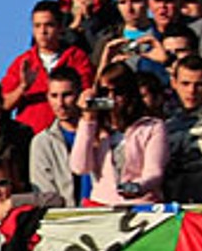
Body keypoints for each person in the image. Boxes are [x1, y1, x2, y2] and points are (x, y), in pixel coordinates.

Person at [70, 65, 166, 205]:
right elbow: (79, 167)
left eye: (118, 92)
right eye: (105, 92)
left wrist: (134, 188)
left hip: (141, 205)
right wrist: (88, 120)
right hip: (102, 206)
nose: (111, 98)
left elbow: (154, 172)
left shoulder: (152, 126)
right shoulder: (95, 127)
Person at [3, 1, 94, 134]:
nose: (43, 31)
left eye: (49, 25)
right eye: (37, 26)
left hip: (70, 135)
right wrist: (22, 87)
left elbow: (86, 96)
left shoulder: (76, 57)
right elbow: (3, 106)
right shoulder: (23, 62)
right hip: (30, 138)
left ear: (60, 28)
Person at [29, 66, 90, 206]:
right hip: (63, 220)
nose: (60, 103)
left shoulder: (99, 133)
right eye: (54, 96)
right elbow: (44, 192)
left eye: (67, 95)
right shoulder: (42, 142)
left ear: (79, 95)